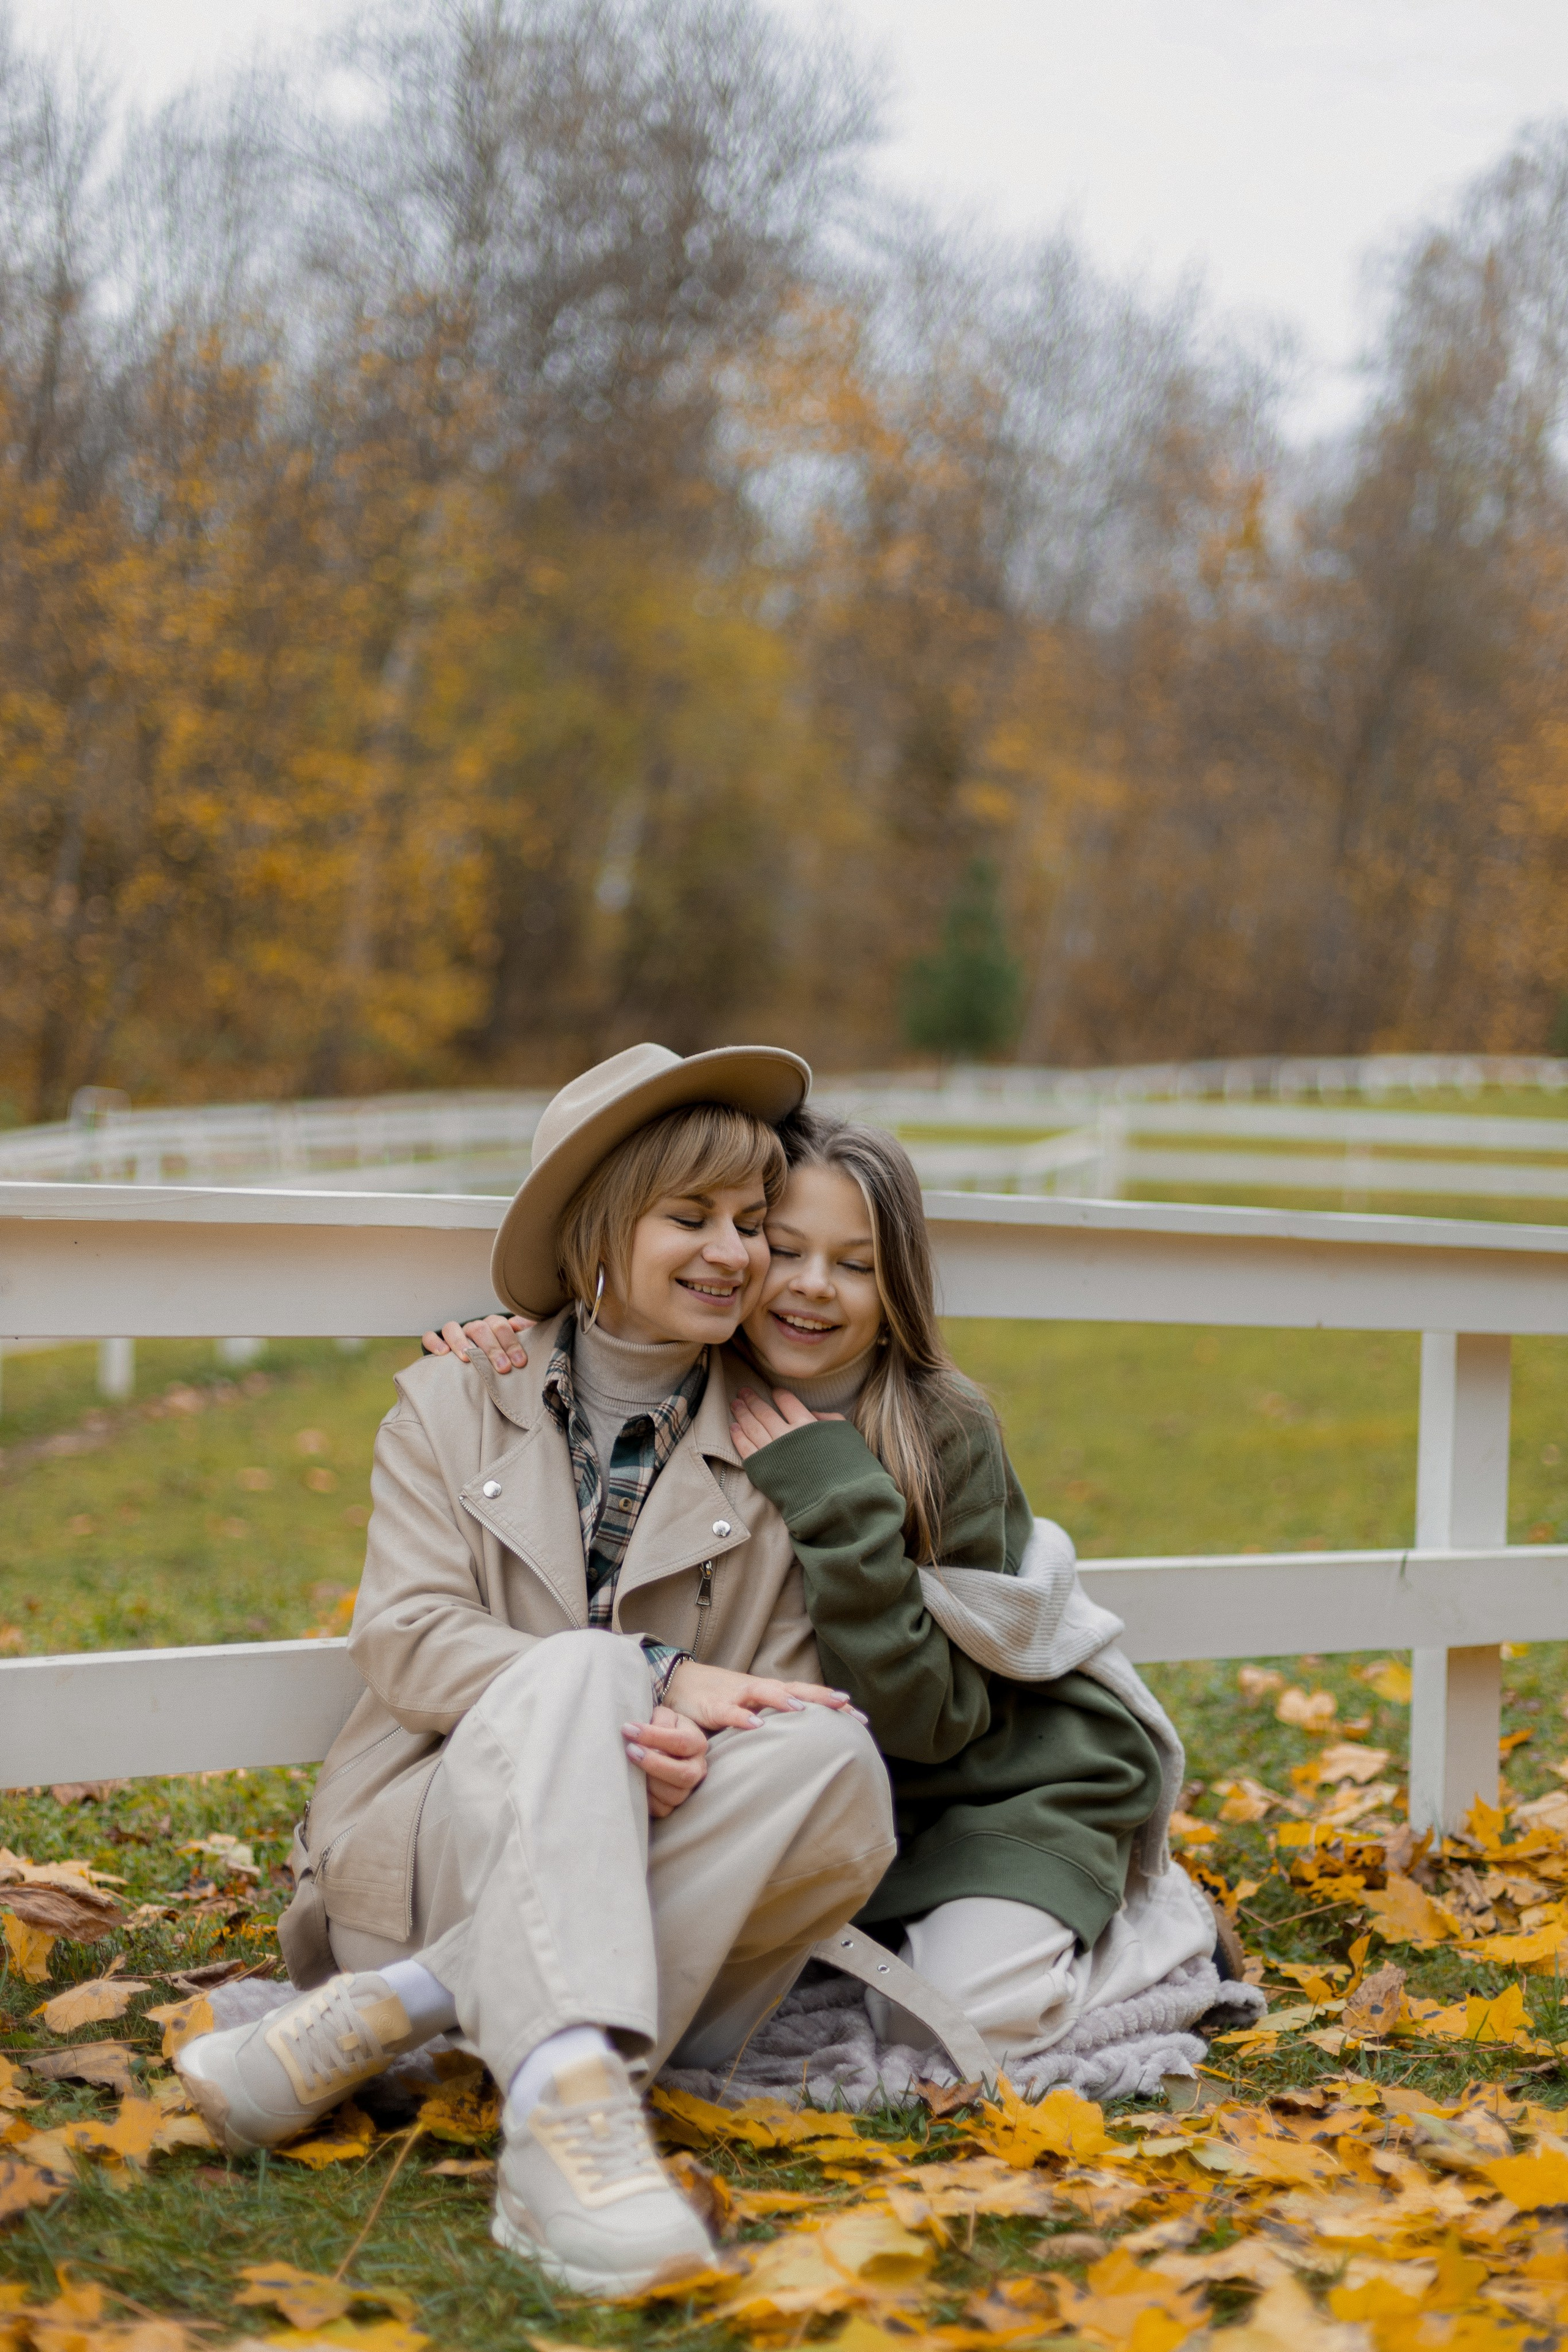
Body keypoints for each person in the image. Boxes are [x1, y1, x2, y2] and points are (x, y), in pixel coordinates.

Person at [173, 1046, 896, 2296]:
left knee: (836, 1763)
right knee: (579, 1672)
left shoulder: (776, 1446)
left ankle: (412, 2009)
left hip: (659, 1844)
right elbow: (405, 1639)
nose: (733, 1254)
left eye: (748, 1224)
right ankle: (566, 2139)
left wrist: (682, 1745)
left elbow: (777, 1696)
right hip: (440, 1822)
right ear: (592, 1236)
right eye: (689, 1219)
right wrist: (648, 1678)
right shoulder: (455, 1400)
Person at [429, 1105, 1221, 2078]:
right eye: (786, 1247)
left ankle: (1150, 1934)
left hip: (997, 1785)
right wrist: (516, 1348)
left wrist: (841, 1502)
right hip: (836, 1796)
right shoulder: (703, 1374)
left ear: (897, 1288)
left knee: (955, 2031)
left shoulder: (942, 1433)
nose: (811, 1287)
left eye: (855, 1264)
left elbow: (934, 1723)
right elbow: (609, 1354)